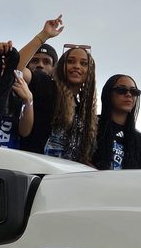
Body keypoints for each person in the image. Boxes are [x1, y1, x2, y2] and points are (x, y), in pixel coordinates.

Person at [17, 16, 98, 164]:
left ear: (90, 73)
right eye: (71, 61)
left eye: (83, 63)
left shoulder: (85, 110)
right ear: (60, 67)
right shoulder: (46, 85)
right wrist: (43, 36)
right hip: (34, 169)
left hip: (66, 175)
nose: (77, 66)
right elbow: (17, 69)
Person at [92, 74, 141, 170]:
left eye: (134, 92)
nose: (129, 95)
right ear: (108, 94)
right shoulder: (89, 126)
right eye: (121, 90)